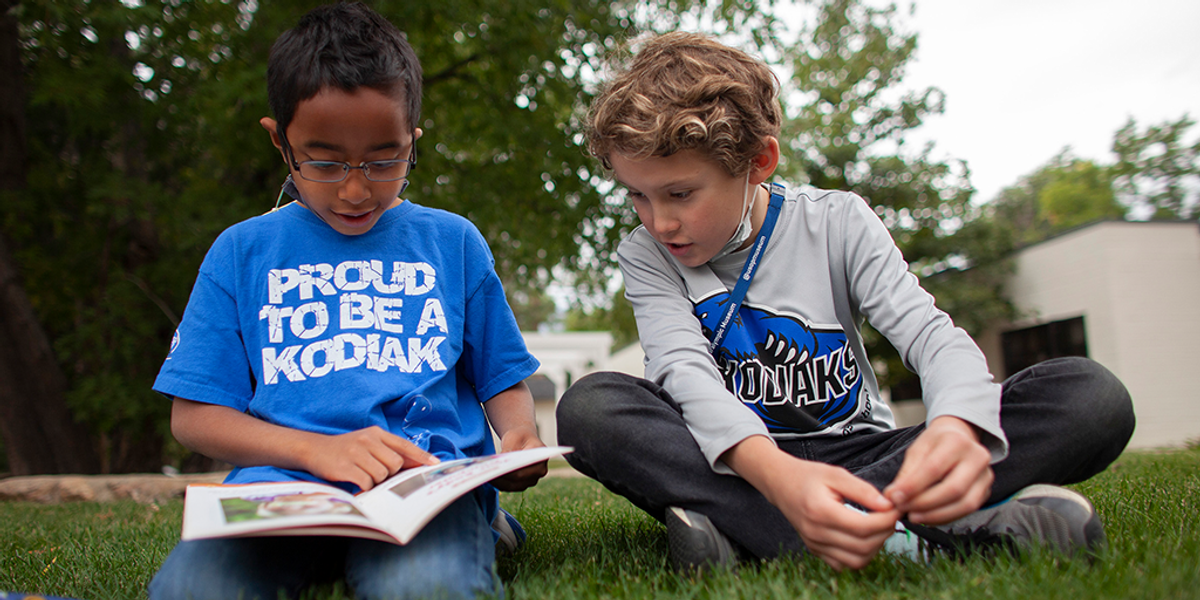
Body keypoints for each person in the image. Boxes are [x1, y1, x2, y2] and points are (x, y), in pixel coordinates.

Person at [555, 32, 1135, 573]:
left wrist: (958, 428)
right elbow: (684, 373)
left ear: (758, 162)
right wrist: (782, 479)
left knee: (1090, 397)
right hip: (739, 464)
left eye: (680, 193)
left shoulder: (838, 220)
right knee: (590, 409)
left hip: (868, 450)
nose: (660, 222)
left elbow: (930, 336)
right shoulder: (645, 254)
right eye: (638, 195)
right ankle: (933, 534)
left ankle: (752, 534)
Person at [148, 4, 546, 599]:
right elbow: (195, 416)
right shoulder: (242, 252)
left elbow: (500, 377)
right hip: (280, 484)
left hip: (420, 479)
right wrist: (316, 450)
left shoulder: (453, 243)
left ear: (413, 140)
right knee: (194, 590)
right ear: (281, 143)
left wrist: (519, 438)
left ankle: (480, 521)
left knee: (425, 588)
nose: (356, 188)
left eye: (385, 159)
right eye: (326, 161)